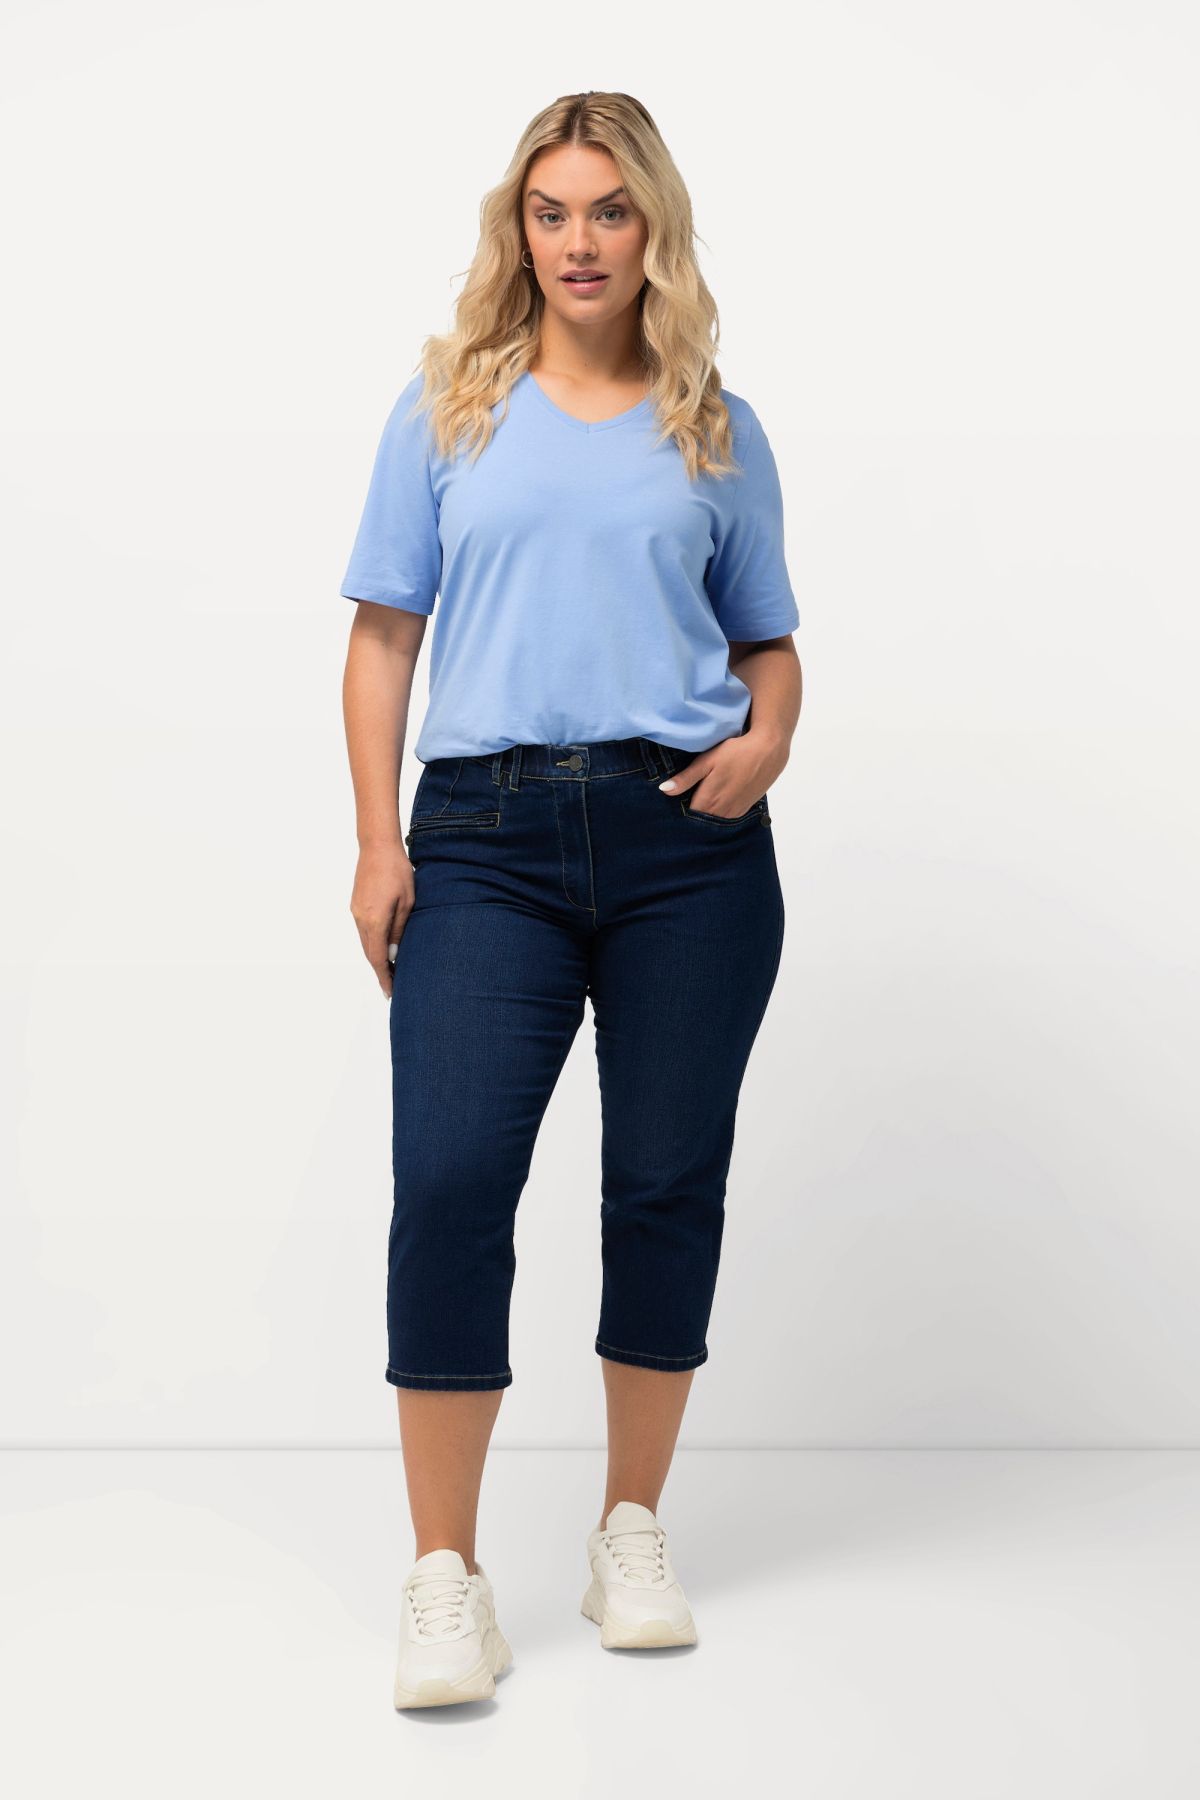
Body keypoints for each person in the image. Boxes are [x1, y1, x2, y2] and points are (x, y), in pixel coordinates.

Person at [339, 90, 803, 1710]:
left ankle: (631, 1533)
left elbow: (767, 645)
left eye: (610, 210)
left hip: (690, 848)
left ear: (650, 225)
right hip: (484, 840)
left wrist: (770, 739)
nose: (580, 241)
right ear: (517, 229)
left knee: (666, 1185)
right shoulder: (447, 408)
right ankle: (445, 1575)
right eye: (552, 211)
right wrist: (379, 843)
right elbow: (382, 637)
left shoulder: (715, 425)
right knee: (452, 1181)